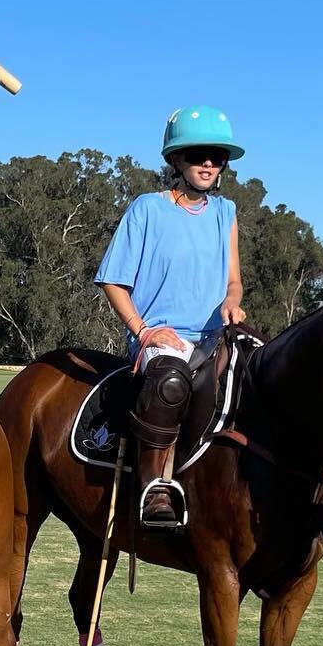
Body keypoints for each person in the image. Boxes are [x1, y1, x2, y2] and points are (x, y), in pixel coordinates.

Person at [95, 104, 247, 529]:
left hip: (215, 336)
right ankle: (154, 487)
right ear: (176, 159)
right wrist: (142, 330)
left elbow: (233, 281)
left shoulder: (225, 213)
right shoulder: (147, 209)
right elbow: (113, 281)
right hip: (161, 339)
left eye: (217, 157)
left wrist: (232, 300)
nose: (208, 164)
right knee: (171, 381)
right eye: (198, 155)